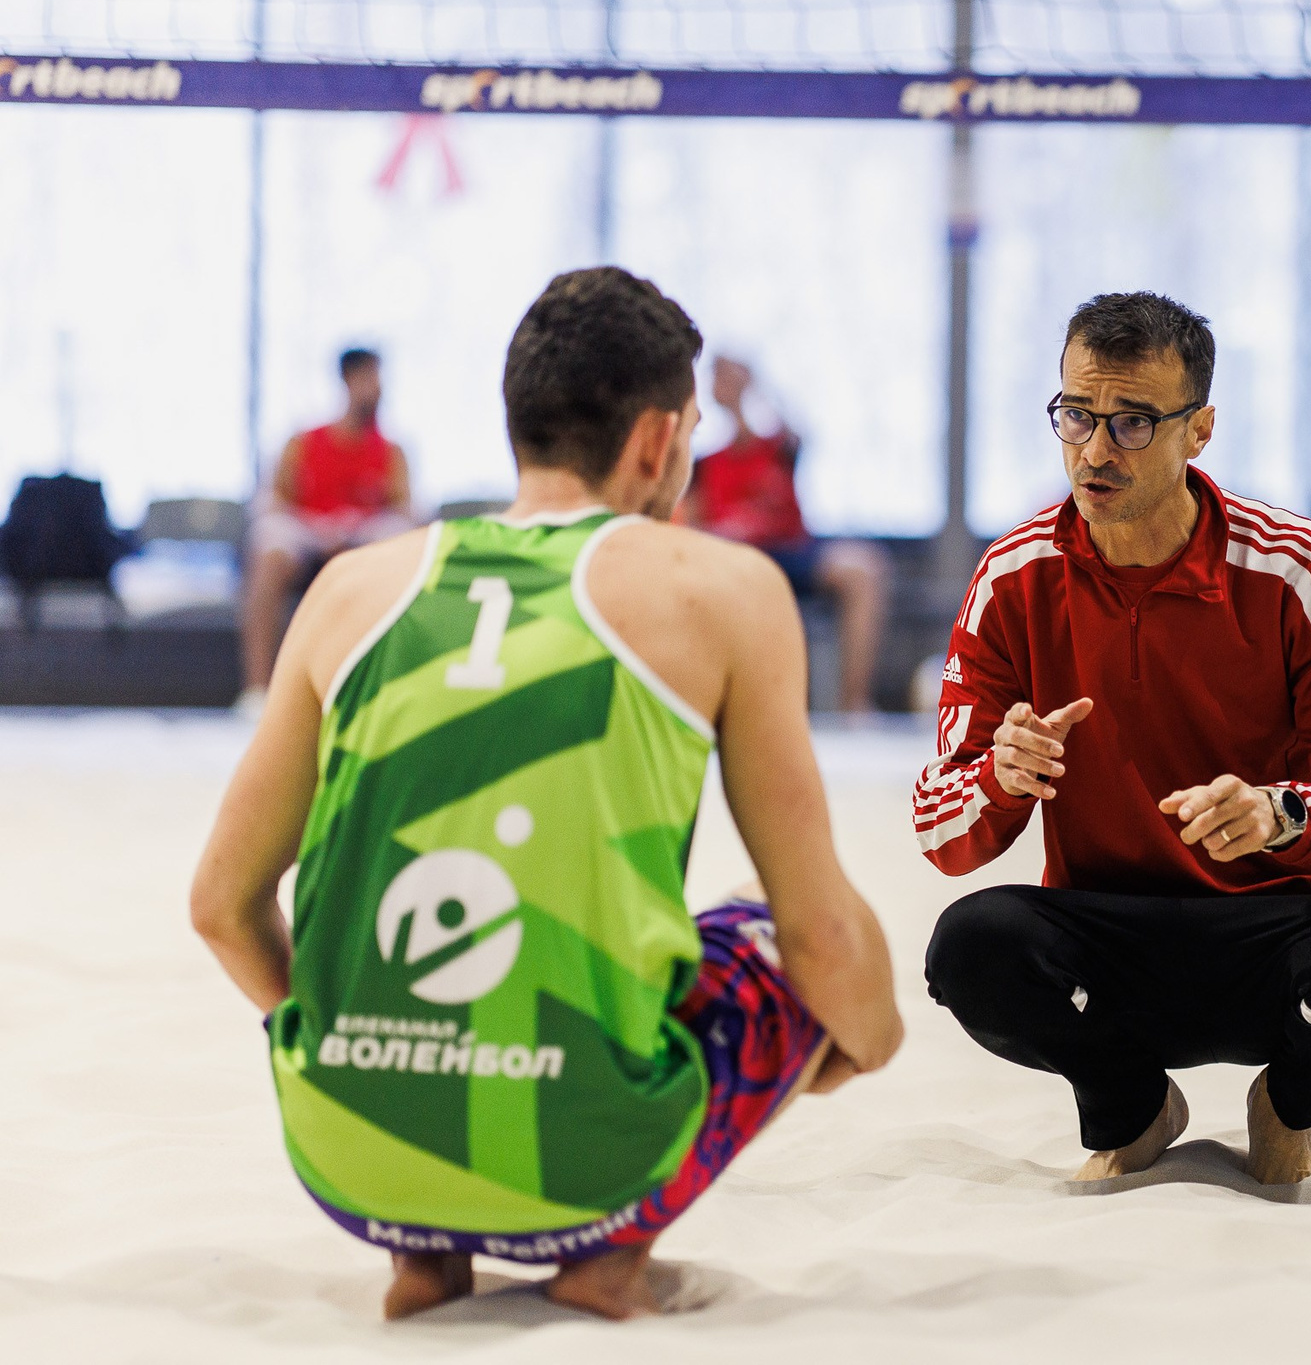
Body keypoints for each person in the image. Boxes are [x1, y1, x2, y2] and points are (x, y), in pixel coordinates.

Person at [190, 269, 903, 1322]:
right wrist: (869, 1044)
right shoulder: (720, 588)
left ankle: (426, 1249)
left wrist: (355, 1038)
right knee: (766, 930)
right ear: (658, 441)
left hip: (347, 1158)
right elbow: (823, 939)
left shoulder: (352, 588)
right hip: (585, 1161)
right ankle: (606, 1250)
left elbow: (219, 907)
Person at [914, 292, 1311, 1186]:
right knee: (971, 945)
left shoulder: (1293, 566)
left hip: (1277, 932)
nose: (1093, 450)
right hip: (1112, 934)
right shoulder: (1013, 577)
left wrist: (1281, 814)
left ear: (1198, 430)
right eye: (1076, 415)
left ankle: (1289, 1100)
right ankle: (1134, 1107)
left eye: (1131, 423)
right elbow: (941, 831)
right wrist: (1001, 778)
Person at [685, 354, 890, 715]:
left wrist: (754, 386)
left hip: (792, 553)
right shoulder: (707, 463)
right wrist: (731, 530)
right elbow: (691, 526)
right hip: (739, 562)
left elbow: (799, 428)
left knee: (864, 570)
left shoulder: (778, 448)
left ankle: (854, 704)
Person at [239, 347, 416, 710]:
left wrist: (351, 530)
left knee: (398, 540)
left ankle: (388, 692)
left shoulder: (392, 452)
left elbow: (405, 510)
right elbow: (275, 501)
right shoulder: (303, 443)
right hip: (307, 535)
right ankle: (257, 691)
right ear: (349, 381)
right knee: (269, 549)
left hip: (362, 542)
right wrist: (319, 530)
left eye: (380, 379)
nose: (378, 388)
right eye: (370, 378)